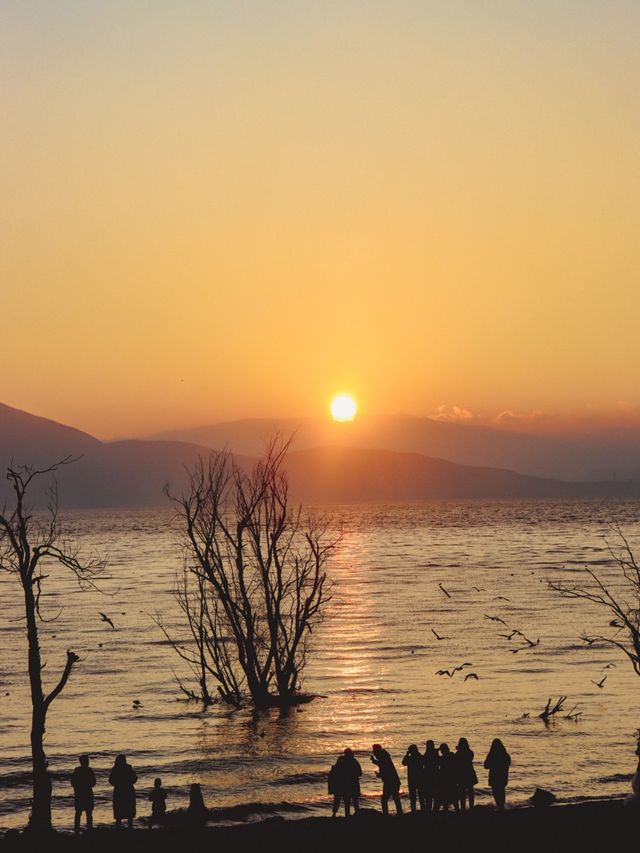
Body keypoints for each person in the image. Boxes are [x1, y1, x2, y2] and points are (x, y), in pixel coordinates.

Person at [371, 743, 402, 816]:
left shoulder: (383, 756)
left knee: (385, 799)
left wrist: (374, 761)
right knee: (395, 798)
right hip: (393, 780)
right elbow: (383, 765)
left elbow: (383, 766)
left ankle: (386, 815)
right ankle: (399, 813)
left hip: (390, 781)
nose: (373, 753)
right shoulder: (384, 756)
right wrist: (379, 774)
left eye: (374, 751)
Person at [109, 754, 138, 829]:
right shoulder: (128, 768)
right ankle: (130, 828)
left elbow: (111, 780)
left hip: (119, 791)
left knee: (119, 811)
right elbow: (134, 779)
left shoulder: (115, 768)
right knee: (129, 811)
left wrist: (118, 783)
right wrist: (128, 782)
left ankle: (118, 828)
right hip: (128, 791)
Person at [70, 755, 96, 834]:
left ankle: (76, 829)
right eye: (87, 761)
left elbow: (73, 782)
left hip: (80, 793)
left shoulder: (77, 770)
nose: (88, 762)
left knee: (79, 812)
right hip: (86, 793)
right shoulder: (89, 770)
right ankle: (89, 829)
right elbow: (93, 782)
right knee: (88, 813)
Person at [484, 739, 511, 810]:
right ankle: (501, 807)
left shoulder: (492, 755)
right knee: (501, 792)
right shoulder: (505, 755)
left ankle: (499, 807)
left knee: (496, 792)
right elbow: (508, 763)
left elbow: (486, 765)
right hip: (503, 776)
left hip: (494, 776)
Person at [455, 737, 478, 812]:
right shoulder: (470, 752)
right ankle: (471, 807)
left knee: (462, 792)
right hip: (469, 773)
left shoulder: (458, 753)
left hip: (461, 774)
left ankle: (463, 808)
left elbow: (456, 761)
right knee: (470, 791)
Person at [436, 743, 459, 813]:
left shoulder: (443, 758)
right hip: (452, 778)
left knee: (445, 796)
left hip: (445, 779)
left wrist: (436, 751)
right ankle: (457, 811)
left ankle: (446, 810)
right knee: (453, 797)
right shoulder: (452, 755)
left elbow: (437, 761)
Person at [402, 744, 424, 812]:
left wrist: (407, 755)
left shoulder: (410, 758)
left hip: (412, 779)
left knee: (413, 797)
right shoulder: (420, 757)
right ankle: (423, 810)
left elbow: (403, 762)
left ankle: (414, 811)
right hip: (420, 778)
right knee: (421, 796)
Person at [341, 748, 362, 816]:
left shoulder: (342, 762)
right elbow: (360, 773)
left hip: (345, 783)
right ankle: (357, 816)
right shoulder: (354, 761)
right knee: (355, 802)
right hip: (354, 783)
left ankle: (347, 816)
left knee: (347, 802)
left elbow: (338, 773)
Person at [422, 740, 439, 814]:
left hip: (428, 775)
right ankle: (435, 809)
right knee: (435, 793)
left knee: (428, 794)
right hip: (435, 774)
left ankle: (428, 809)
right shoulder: (435, 753)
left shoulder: (426, 754)